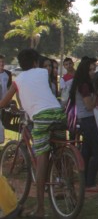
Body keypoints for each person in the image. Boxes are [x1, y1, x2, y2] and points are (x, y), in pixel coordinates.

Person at [0, 48, 66, 219]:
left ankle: (40, 209)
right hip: (58, 114)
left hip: (40, 118)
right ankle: (68, 184)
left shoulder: (18, 79)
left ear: (21, 64)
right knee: (60, 149)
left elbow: (4, 102)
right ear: (36, 62)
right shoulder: (43, 72)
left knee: (41, 157)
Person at [69, 56, 98, 192]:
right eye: (90, 69)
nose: (93, 72)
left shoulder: (83, 84)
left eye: (94, 69)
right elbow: (89, 105)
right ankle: (90, 182)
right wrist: (97, 93)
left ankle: (86, 181)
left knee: (88, 151)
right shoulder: (84, 85)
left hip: (87, 119)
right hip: (88, 119)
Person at [0, 54, 13, 144]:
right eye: (0, 62)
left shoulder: (8, 74)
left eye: (3, 62)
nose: (1, 64)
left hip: (5, 102)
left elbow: (10, 88)